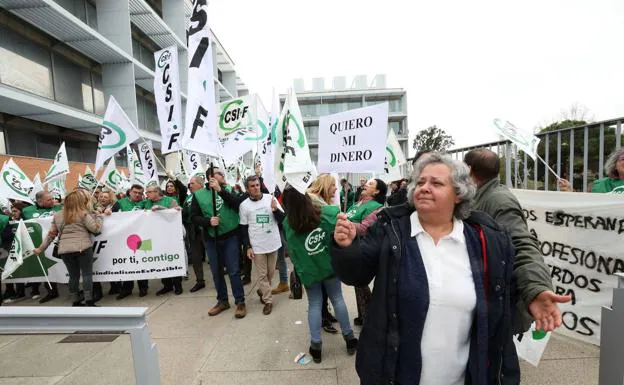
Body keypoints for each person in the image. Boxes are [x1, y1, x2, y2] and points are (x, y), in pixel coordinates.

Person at [332, 153, 521, 384]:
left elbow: (500, 319)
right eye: (420, 182)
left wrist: (536, 294)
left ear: (459, 194)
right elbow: (355, 274)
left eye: (437, 183)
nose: (424, 188)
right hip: (395, 376)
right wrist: (346, 247)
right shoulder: (389, 228)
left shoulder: (484, 240)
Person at [464, 148, 572, 334]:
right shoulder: (477, 196)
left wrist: (536, 288)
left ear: (469, 169)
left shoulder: (499, 201)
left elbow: (521, 245)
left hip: (497, 307)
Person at [282, 186, 357, 364]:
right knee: (338, 298)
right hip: (329, 266)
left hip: (309, 270)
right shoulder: (327, 213)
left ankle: (316, 346)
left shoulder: (288, 224)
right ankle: (349, 338)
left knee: (314, 304)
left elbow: (292, 252)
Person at [192, 167, 246, 319]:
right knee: (216, 272)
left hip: (231, 237)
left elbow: (236, 204)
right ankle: (222, 301)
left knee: (234, 271)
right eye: (219, 173)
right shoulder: (198, 195)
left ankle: (240, 301)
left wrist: (220, 190)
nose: (222, 175)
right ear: (210, 177)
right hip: (212, 239)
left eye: (222, 174)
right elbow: (194, 217)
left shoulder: (230, 189)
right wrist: (207, 221)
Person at [34, 189, 103, 306]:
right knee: (86, 274)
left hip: (65, 250)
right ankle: (89, 300)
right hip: (83, 247)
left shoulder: (57, 215)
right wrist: (99, 217)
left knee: (73, 276)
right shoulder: (83, 213)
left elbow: (50, 236)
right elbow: (96, 229)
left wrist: (40, 249)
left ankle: (75, 300)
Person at [238, 176, 285, 315]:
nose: (255, 188)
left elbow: (282, 220)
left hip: (273, 242)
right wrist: (247, 247)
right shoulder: (244, 205)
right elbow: (243, 228)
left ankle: (262, 290)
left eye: (257, 185)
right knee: (262, 275)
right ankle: (268, 301)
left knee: (270, 273)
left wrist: (275, 210)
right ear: (247, 189)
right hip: (257, 246)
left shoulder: (271, 198)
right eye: (252, 186)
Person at [345, 178, 387, 326]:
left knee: (361, 283)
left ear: (376, 191)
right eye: (366, 183)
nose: (365, 185)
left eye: (370, 184)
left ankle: (370, 318)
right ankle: (363, 315)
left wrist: (345, 223)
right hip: (353, 247)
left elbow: (364, 229)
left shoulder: (376, 208)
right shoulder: (358, 203)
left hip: (366, 249)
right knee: (358, 285)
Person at [307, 174, 342, 333]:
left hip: (319, 252)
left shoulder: (321, 202)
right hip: (315, 253)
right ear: (326, 185)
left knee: (324, 292)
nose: (336, 188)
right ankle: (322, 319)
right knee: (318, 295)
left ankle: (325, 314)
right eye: (334, 185)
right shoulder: (312, 202)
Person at [21, 191, 62, 303]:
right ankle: (50, 291)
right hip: (38, 244)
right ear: (40, 201)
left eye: (52, 198)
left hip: (55, 242)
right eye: (49, 199)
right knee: (44, 267)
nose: (52, 201)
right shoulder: (26, 211)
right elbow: (20, 225)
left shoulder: (59, 208)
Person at [143, 185, 183, 296]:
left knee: (172, 259)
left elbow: (176, 212)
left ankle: (177, 285)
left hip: (170, 237)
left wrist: (162, 209)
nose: (147, 194)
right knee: (161, 261)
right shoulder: (147, 203)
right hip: (155, 236)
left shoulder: (170, 200)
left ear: (157, 192)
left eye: (149, 192)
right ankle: (167, 285)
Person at [110, 184, 148, 299]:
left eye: (140, 193)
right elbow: (111, 219)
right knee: (127, 263)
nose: (137, 195)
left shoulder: (145, 203)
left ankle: (143, 288)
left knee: (142, 262)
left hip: (142, 237)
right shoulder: (120, 203)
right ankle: (126, 288)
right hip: (124, 239)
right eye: (135, 192)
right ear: (130, 192)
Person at [185, 176, 207, 293]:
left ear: (200, 184)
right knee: (196, 257)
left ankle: (218, 278)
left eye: (192, 183)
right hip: (193, 231)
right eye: (189, 184)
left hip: (206, 230)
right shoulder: (188, 198)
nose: (190, 185)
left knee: (214, 257)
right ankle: (200, 281)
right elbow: (184, 213)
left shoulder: (207, 195)